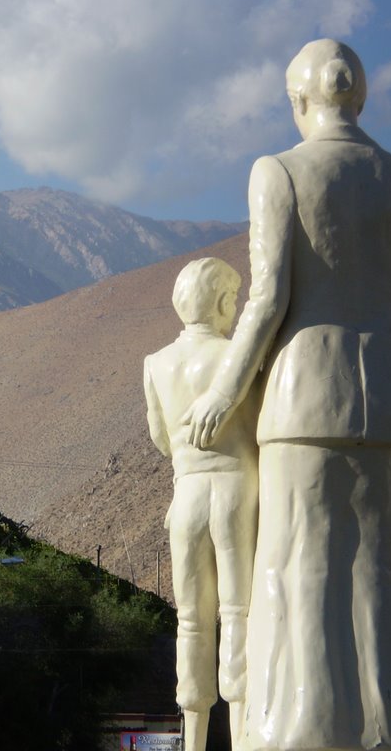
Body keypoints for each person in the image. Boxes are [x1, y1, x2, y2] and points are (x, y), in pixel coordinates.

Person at [183, 39, 391, 750]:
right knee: (385, 572)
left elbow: (267, 300)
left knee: (302, 565)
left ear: (298, 99)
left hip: (303, 401)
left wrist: (226, 391)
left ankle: (300, 727)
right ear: (361, 95)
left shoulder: (277, 171)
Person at [144, 257, 259, 751]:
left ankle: (193, 738)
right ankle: (241, 733)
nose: (234, 309)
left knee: (190, 619)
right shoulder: (239, 357)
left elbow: (160, 437)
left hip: (187, 495)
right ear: (219, 301)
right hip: (238, 492)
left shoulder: (156, 364)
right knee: (239, 613)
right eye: (232, 298)